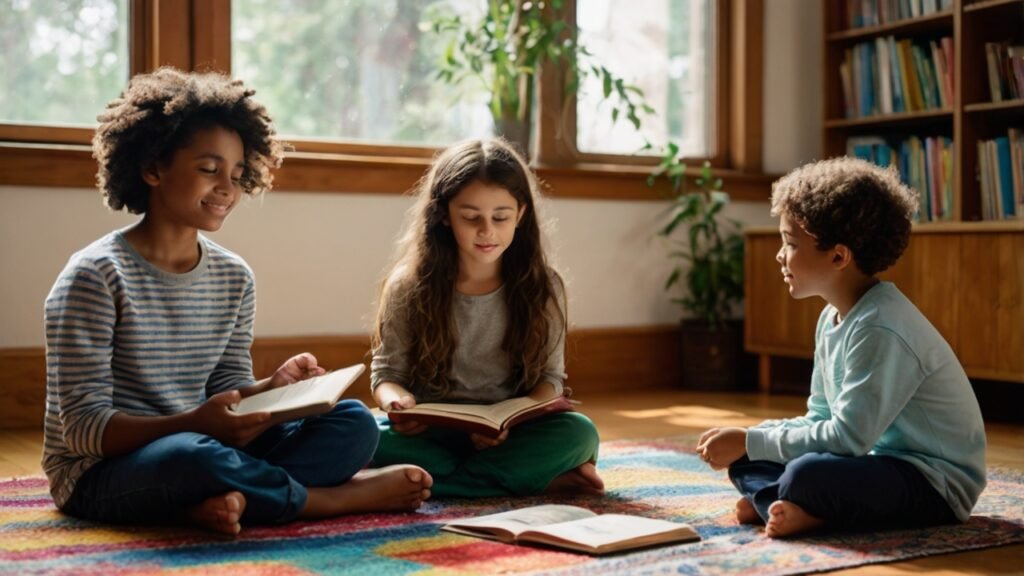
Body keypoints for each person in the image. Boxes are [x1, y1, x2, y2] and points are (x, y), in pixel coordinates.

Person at [42, 67, 432, 536]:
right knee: (191, 455)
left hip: (206, 445)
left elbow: (227, 388)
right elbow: (82, 431)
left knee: (354, 422)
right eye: (209, 170)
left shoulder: (233, 276)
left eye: (238, 173)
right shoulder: (95, 276)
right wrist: (195, 425)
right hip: (102, 473)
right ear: (152, 168)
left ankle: (214, 504)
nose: (227, 187)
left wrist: (274, 386)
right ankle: (318, 501)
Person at [697, 157, 986, 538]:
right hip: (874, 463)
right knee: (747, 461)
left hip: (934, 485)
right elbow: (819, 417)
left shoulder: (881, 327)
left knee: (805, 474)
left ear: (838, 256)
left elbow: (849, 438)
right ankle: (786, 503)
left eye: (790, 243)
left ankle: (808, 512)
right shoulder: (832, 317)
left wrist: (753, 439)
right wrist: (749, 438)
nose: (780, 255)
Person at [369, 138, 604, 498]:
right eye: (471, 217)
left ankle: (432, 483)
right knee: (359, 430)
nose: (487, 231)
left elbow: (550, 380)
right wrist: (396, 404)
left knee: (579, 433)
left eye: (500, 217)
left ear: (520, 215)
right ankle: (536, 481)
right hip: (434, 433)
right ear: (444, 214)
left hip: (512, 434)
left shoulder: (543, 286)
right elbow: (387, 375)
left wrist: (511, 419)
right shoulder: (409, 284)